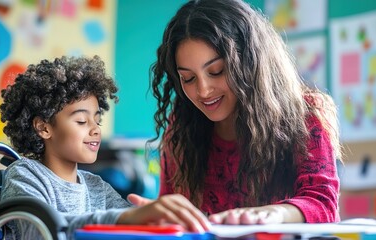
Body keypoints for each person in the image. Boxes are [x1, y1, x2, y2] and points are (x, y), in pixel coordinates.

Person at [131, 0, 342, 225]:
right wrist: (160, 216)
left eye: (217, 71)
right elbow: (173, 211)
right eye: (188, 78)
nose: (203, 90)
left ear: (250, 63)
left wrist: (271, 215)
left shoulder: (305, 115)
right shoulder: (182, 128)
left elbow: (322, 203)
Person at [0, 55, 210, 239]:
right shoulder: (24, 175)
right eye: (82, 121)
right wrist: (126, 218)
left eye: (97, 120)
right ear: (43, 127)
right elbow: (38, 231)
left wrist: (158, 217)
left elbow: (134, 223)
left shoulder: (96, 186)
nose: (96, 129)